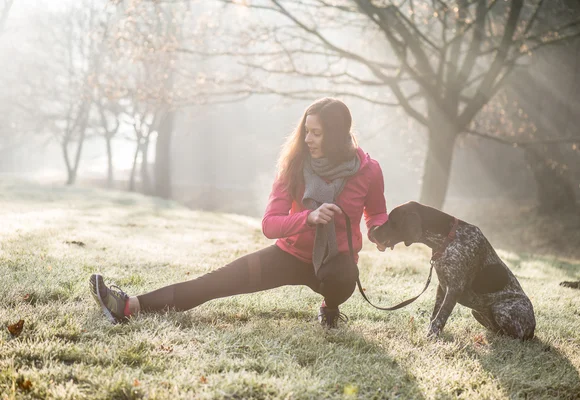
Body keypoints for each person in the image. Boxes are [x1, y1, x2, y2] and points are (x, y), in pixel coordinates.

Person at [89, 97, 389, 329]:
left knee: (344, 275)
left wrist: (378, 231)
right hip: (289, 256)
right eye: (306, 131)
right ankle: (129, 306)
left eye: (317, 133)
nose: (308, 139)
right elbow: (270, 225)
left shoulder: (367, 170)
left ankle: (330, 307)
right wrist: (308, 218)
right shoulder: (294, 166)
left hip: (334, 264)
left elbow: (375, 212)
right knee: (214, 282)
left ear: (336, 136)